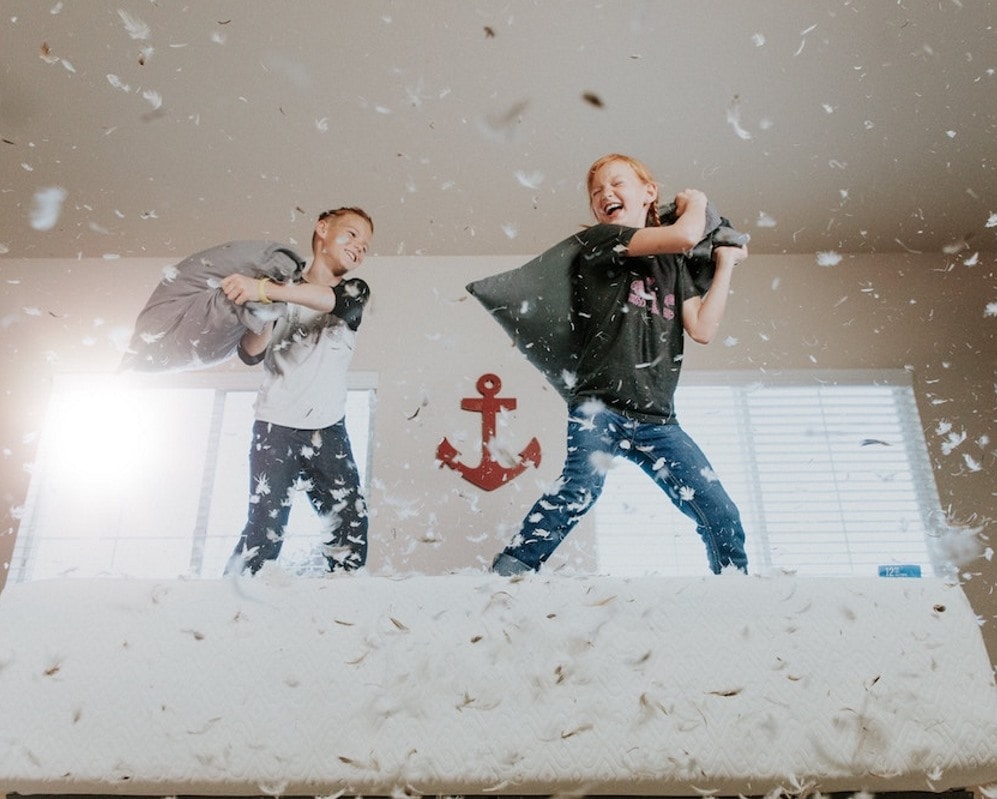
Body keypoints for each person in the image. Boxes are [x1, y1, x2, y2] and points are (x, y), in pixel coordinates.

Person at [491, 154, 749, 576]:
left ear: (649, 193)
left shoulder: (674, 265)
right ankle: (505, 576)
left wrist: (724, 264)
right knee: (578, 490)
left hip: (658, 419)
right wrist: (698, 202)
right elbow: (687, 233)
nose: (605, 194)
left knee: (719, 511)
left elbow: (702, 328)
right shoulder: (602, 240)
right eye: (596, 192)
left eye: (616, 184)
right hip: (599, 407)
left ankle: (738, 588)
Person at [223, 207, 374, 576]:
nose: (359, 247)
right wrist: (265, 306)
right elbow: (250, 353)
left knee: (350, 530)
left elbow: (333, 303)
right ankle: (228, 600)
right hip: (274, 429)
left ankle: (341, 601)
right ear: (322, 229)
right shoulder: (280, 289)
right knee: (264, 531)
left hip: (328, 430)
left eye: (366, 245)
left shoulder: (354, 290)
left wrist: (265, 289)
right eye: (352, 234)